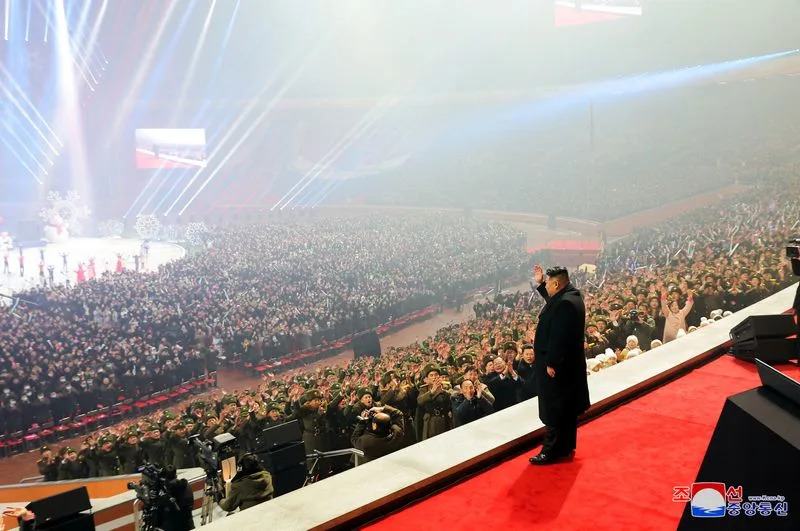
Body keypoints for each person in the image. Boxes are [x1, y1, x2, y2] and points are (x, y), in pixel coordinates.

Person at [530, 265, 590, 465]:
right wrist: (540, 284)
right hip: (568, 366)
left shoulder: (565, 304)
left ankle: (550, 451)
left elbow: (560, 337)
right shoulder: (570, 297)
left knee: (553, 408)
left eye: (547, 282)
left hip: (557, 367)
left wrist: (551, 362)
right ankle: (565, 446)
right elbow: (553, 303)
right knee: (565, 408)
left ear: (556, 283)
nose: (546, 286)